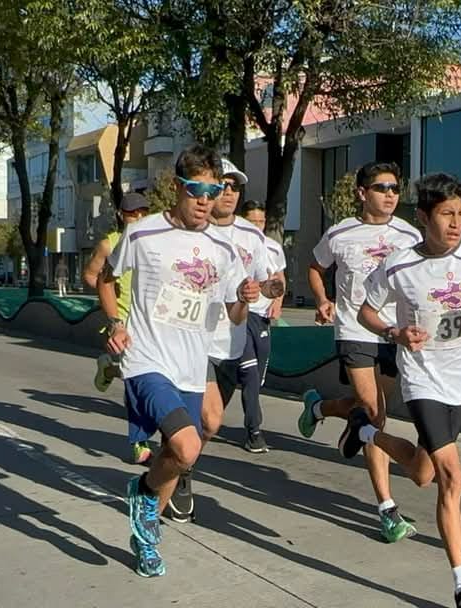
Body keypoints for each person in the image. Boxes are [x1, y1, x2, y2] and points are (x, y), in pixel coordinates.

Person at [338, 172, 461, 608]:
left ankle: (363, 432)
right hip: (422, 381)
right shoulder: (398, 264)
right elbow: (365, 313)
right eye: (446, 214)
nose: (455, 223)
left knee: (421, 473)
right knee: (452, 479)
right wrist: (395, 331)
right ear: (423, 217)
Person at [99, 144, 261, 577]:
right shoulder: (143, 234)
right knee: (187, 445)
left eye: (214, 189)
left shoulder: (223, 249)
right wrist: (116, 324)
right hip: (147, 360)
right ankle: (145, 496)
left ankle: (146, 526)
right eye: (196, 189)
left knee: (180, 453)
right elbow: (105, 278)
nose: (205, 199)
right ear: (177, 188)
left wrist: (245, 300)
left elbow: (234, 313)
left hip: (192, 366)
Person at [299, 160, 423, 543]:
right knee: (375, 415)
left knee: (363, 407)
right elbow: (316, 268)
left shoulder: (409, 234)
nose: (389, 195)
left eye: (394, 188)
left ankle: (320, 407)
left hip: (394, 334)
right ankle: (387, 509)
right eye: (381, 187)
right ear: (362, 193)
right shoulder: (341, 234)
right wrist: (323, 300)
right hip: (355, 329)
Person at [164, 159, 282, 523]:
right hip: (191, 340)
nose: (229, 192)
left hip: (233, 338)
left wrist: (262, 289)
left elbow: (275, 282)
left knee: (206, 426)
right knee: (210, 418)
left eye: (234, 186)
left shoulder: (251, 235)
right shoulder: (188, 232)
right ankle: (180, 472)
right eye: (222, 186)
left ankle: (178, 460)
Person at [83, 192, 152, 463]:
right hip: (122, 322)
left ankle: (108, 368)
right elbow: (91, 276)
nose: (138, 218)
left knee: (139, 375)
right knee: (136, 381)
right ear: (123, 215)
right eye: (133, 213)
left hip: (151, 323)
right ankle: (139, 441)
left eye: (143, 212)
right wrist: (110, 294)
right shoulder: (109, 244)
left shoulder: (155, 243)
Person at [238, 199, 287, 448]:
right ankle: (254, 431)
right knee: (250, 373)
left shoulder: (273, 247)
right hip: (239, 315)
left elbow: (279, 278)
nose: (257, 226)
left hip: (262, 318)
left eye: (260, 222)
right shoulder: (234, 243)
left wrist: (278, 301)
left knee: (259, 375)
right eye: (251, 222)